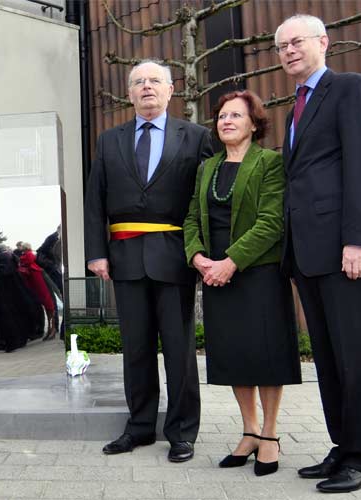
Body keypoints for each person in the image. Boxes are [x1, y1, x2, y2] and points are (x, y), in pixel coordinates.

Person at [275, 14, 361, 493]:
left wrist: (357, 239)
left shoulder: (350, 88)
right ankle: (342, 448)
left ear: (323, 41)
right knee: (325, 357)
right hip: (308, 254)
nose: (287, 51)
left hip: (344, 249)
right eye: (280, 47)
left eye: (296, 41)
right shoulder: (294, 109)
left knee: (352, 357)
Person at [84, 59, 213, 461]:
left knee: (178, 349)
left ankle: (182, 432)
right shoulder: (109, 141)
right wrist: (95, 253)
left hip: (175, 256)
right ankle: (140, 427)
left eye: (154, 81)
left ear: (170, 90)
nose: (146, 87)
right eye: (138, 82)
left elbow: (208, 199)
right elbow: (94, 202)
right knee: (135, 348)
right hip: (125, 258)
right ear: (129, 93)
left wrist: (206, 253)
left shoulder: (196, 137)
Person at [183, 90, 301, 476]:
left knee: (265, 356)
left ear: (254, 123)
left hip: (258, 274)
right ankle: (249, 431)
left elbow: (271, 222)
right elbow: (191, 219)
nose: (227, 121)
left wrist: (231, 262)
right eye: (221, 116)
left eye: (236, 115)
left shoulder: (269, 163)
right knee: (234, 358)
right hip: (215, 275)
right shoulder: (208, 167)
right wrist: (198, 257)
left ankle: (270, 435)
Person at [18, 242, 57, 339]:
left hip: (38, 283)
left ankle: (52, 328)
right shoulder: (27, 259)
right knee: (48, 305)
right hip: (37, 284)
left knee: (48, 305)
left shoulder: (27, 258)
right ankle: (51, 328)